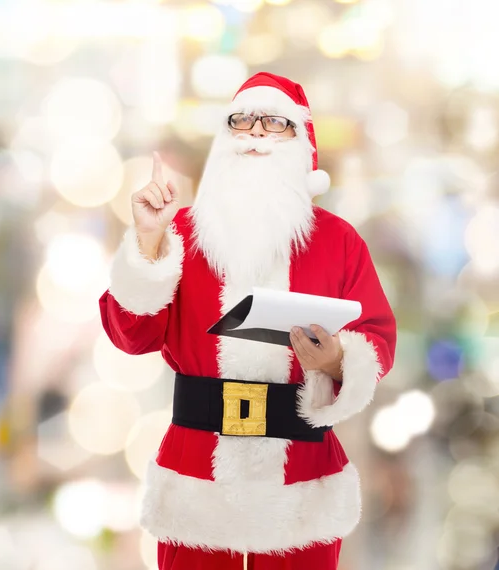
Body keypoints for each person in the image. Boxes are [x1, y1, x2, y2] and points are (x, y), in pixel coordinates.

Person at [99, 72, 397, 570]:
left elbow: (378, 337)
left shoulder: (339, 241)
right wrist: (148, 243)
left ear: (302, 143)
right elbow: (131, 336)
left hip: (300, 477)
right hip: (197, 475)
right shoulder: (180, 234)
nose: (255, 132)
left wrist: (339, 358)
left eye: (274, 122)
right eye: (242, 120)